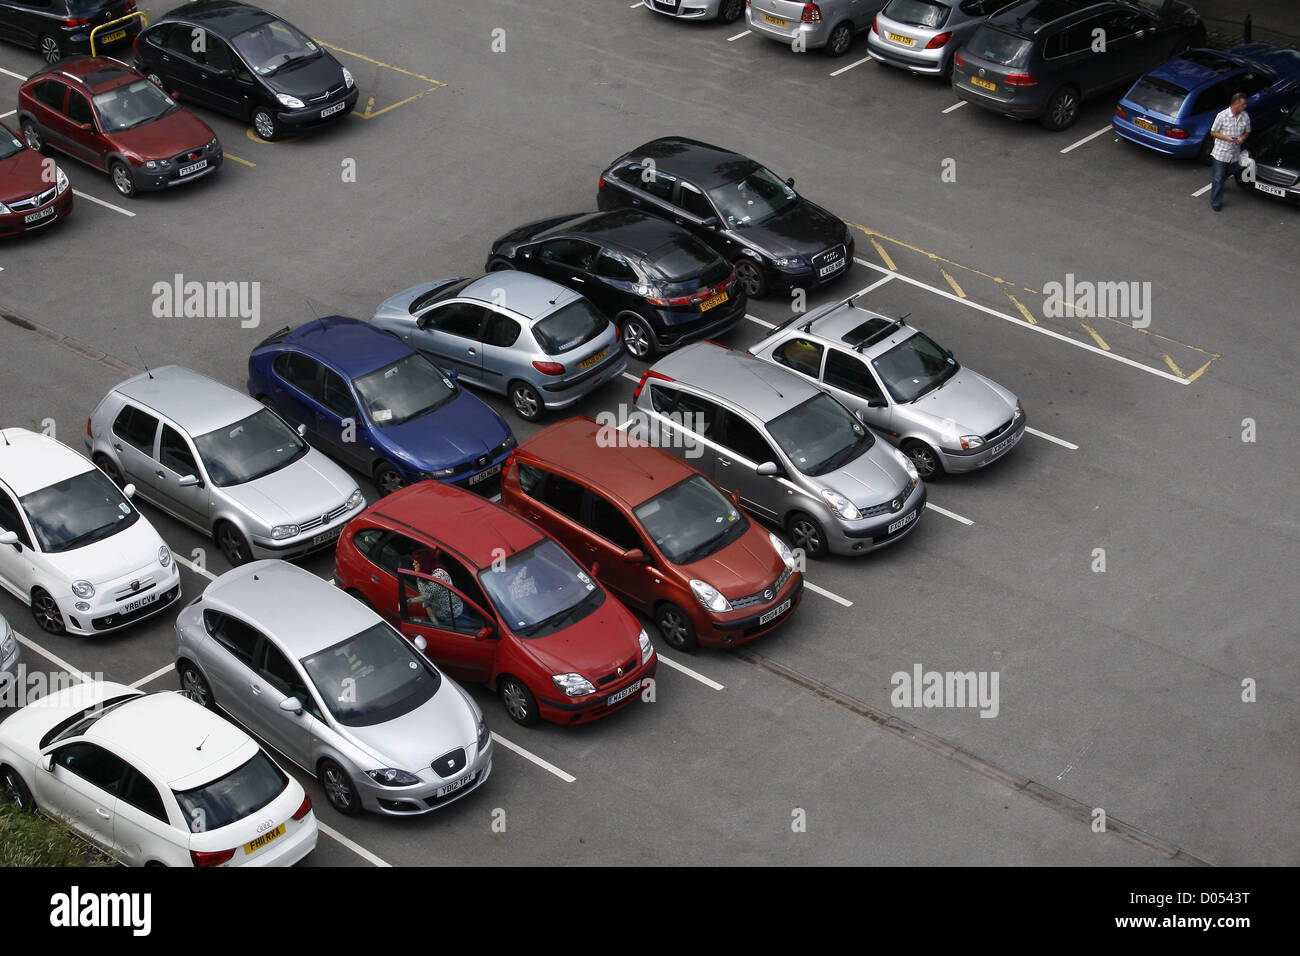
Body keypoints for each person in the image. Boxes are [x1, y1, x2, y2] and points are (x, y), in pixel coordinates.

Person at [1208, 93, 1251, 212]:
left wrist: (1242, 138)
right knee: (1218, 177)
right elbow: (1213, 132)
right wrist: (1226, 137)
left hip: (1235, 153)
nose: (1245, 106)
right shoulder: (1222, 116)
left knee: (1231, 170)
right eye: (1243, 104)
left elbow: (1247, 131)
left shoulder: (1245, 116)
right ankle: (1216, 202)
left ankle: (1219, 183)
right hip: (1221, 152)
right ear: (1235, 104)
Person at [409, 548, 465, 627]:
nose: (413, 564)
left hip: (457, 615)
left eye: (416, 563)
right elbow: (427, 604)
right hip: (441, 618)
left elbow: (427, 597)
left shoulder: (439, 574)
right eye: (413, 562)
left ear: (424, 564)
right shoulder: (420, 579)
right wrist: (436, 625)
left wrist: (410, 601)